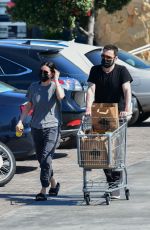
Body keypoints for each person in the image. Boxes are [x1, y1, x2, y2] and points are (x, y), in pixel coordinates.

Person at [86, 44, 133, 199]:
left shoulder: (122, 71)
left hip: (117, 114)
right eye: (103, 56)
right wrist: (88, 109)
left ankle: (115, 186)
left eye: (109, 57)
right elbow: (91, 90)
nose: (105, 59)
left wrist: (126, 108)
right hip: (100, 113)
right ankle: (112, 183)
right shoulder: (95, 70)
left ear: (115, 58)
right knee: (102, 151)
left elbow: (127, 90)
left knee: (116, 152)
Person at [16, 62, 65, 201]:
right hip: (36, 127)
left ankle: (43, 190)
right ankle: (54, 184)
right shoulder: (34, 87)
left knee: (45, 158)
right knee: (42, 160)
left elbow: (61, 96)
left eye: (46, 72)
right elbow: (29, 105)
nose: (43, 74)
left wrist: (56, 79)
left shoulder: (55, 86)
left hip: (52, 127)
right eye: (41, 71)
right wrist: (20, 121)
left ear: (52, 73)